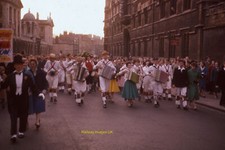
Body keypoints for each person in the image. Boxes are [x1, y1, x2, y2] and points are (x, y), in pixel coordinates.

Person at [1, 54, 44, 143]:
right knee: (13, 117)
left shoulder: (27, 76)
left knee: (23, 116)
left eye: (20, 64)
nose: (18, 66)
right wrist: (1, 80)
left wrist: (39, 93)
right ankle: (13, 134)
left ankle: (21, 131)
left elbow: (33, 87)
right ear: (14, 66)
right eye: (16, 65)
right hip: (13, 100)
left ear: (22, 65)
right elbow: (4, 86)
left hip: (23, 99)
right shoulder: (10, 76)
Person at [28, 58, 48, 129]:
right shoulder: (27, 73)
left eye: (33, 64)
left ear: (36, 64)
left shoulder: (41, 72)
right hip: (30, 92)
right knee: (29, 107)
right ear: (29, 65)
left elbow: (45, 82)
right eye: (31, 64)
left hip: (39, 91)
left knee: (38, 106)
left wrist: (45, 89)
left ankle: (37, 121)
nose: (32, 65)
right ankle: (26, 122)